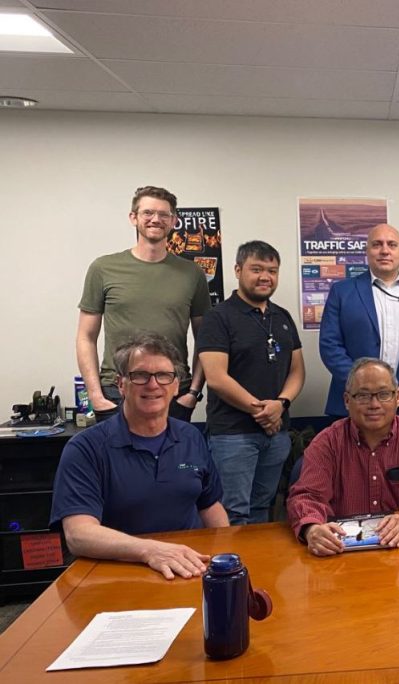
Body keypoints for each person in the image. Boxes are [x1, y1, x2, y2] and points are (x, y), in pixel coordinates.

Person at [50, 333, 228, 579]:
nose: (153, 385)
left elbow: (211, 507)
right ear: (121, 384)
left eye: (163, 375)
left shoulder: (191, 437)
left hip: (190, 569)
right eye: (140, 375)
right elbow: (78, 535)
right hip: (119, 575)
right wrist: (150, 551)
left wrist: (226, 560)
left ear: (176, 385)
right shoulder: (85, 448)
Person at [287, 358, 399, 556]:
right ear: (347, 401)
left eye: (384, 394)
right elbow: (307, 496)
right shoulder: (327, 443)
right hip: (340, 554)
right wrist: (312, 529)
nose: (374, 404)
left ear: (397, 398)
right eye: (363, 395)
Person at [77, 185, 210, 423]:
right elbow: (86, 337)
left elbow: (205, 338)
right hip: (117, 391)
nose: (156, 219)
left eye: (164, 214)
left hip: (172, 390)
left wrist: (193, 393)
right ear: (133, 217)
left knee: (173, 450)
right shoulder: (103, 269)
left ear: (173, 221)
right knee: (115, 450)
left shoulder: (192, 274)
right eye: (148, 212)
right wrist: (95, 394)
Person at [197, 241, 305, 525]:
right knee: (232, 513)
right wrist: (263, 412)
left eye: (272, 270)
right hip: (233, 435)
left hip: (276, 433)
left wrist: (281, 404)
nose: (265, 277)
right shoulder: (218, 317)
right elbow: (216, 377)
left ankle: (257, 559)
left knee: (262, 510)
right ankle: (231, 559)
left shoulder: (282, 317)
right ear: (238, 270)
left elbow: (297, 371)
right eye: (256, 269)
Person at [319, 224, 399, 440]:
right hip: (355, 407)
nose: (385, 250)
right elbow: (329, 346)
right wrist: (363, 388)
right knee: (350, 462)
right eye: (377, 244)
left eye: (392, 245)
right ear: (367, 250)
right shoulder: (342, 292)